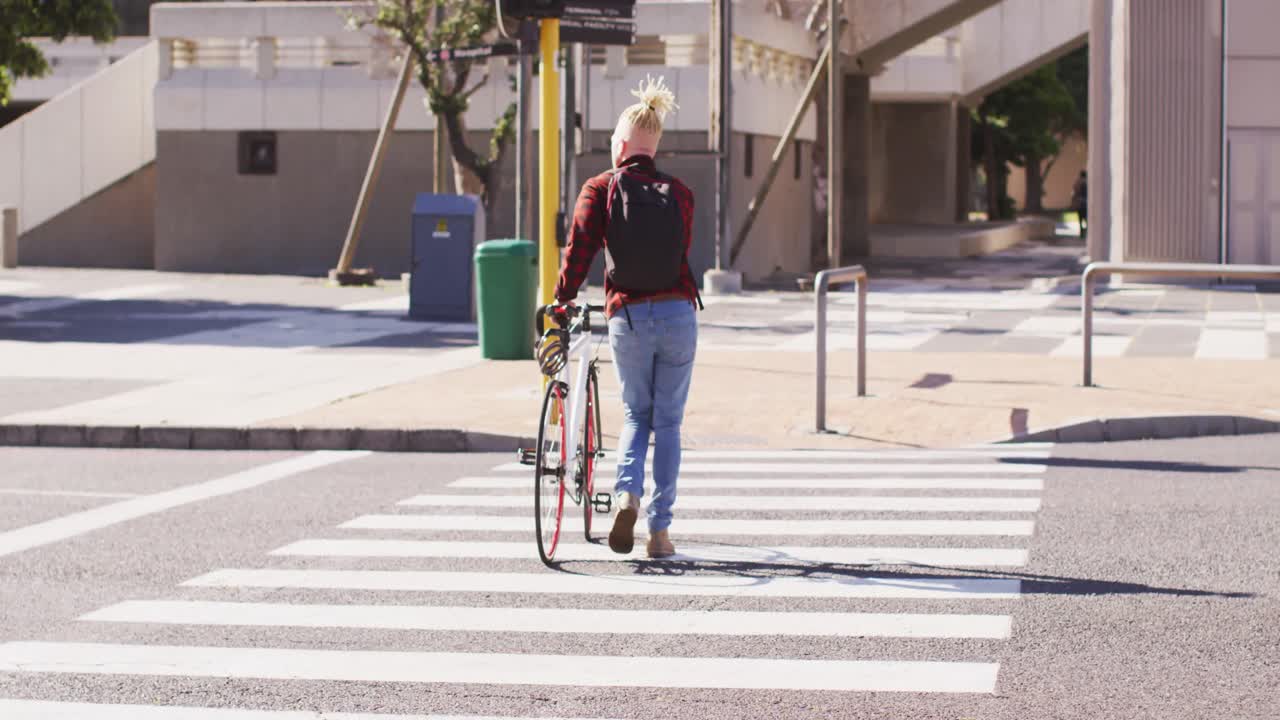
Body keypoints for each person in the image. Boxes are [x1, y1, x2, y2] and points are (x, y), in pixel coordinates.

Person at [553, 76, 700, 559]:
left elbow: (579, 252)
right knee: (670, 423)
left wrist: (561, 299)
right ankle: (660, 533)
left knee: (637, 415)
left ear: (620, 144)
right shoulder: (680, 193)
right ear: (653, 147)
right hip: (679, 314)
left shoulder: (601, 188)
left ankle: (625, 494)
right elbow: (681, 252)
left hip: (629, 317)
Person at [1072, 170, 1088, 239]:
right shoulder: (1087, 183)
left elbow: (1074, 194)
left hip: (1079, 203)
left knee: (1080, 219)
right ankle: (1085, 232)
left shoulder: (1076, 183)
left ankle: (1082, 232)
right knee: (1086, 219)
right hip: (1085, 203)